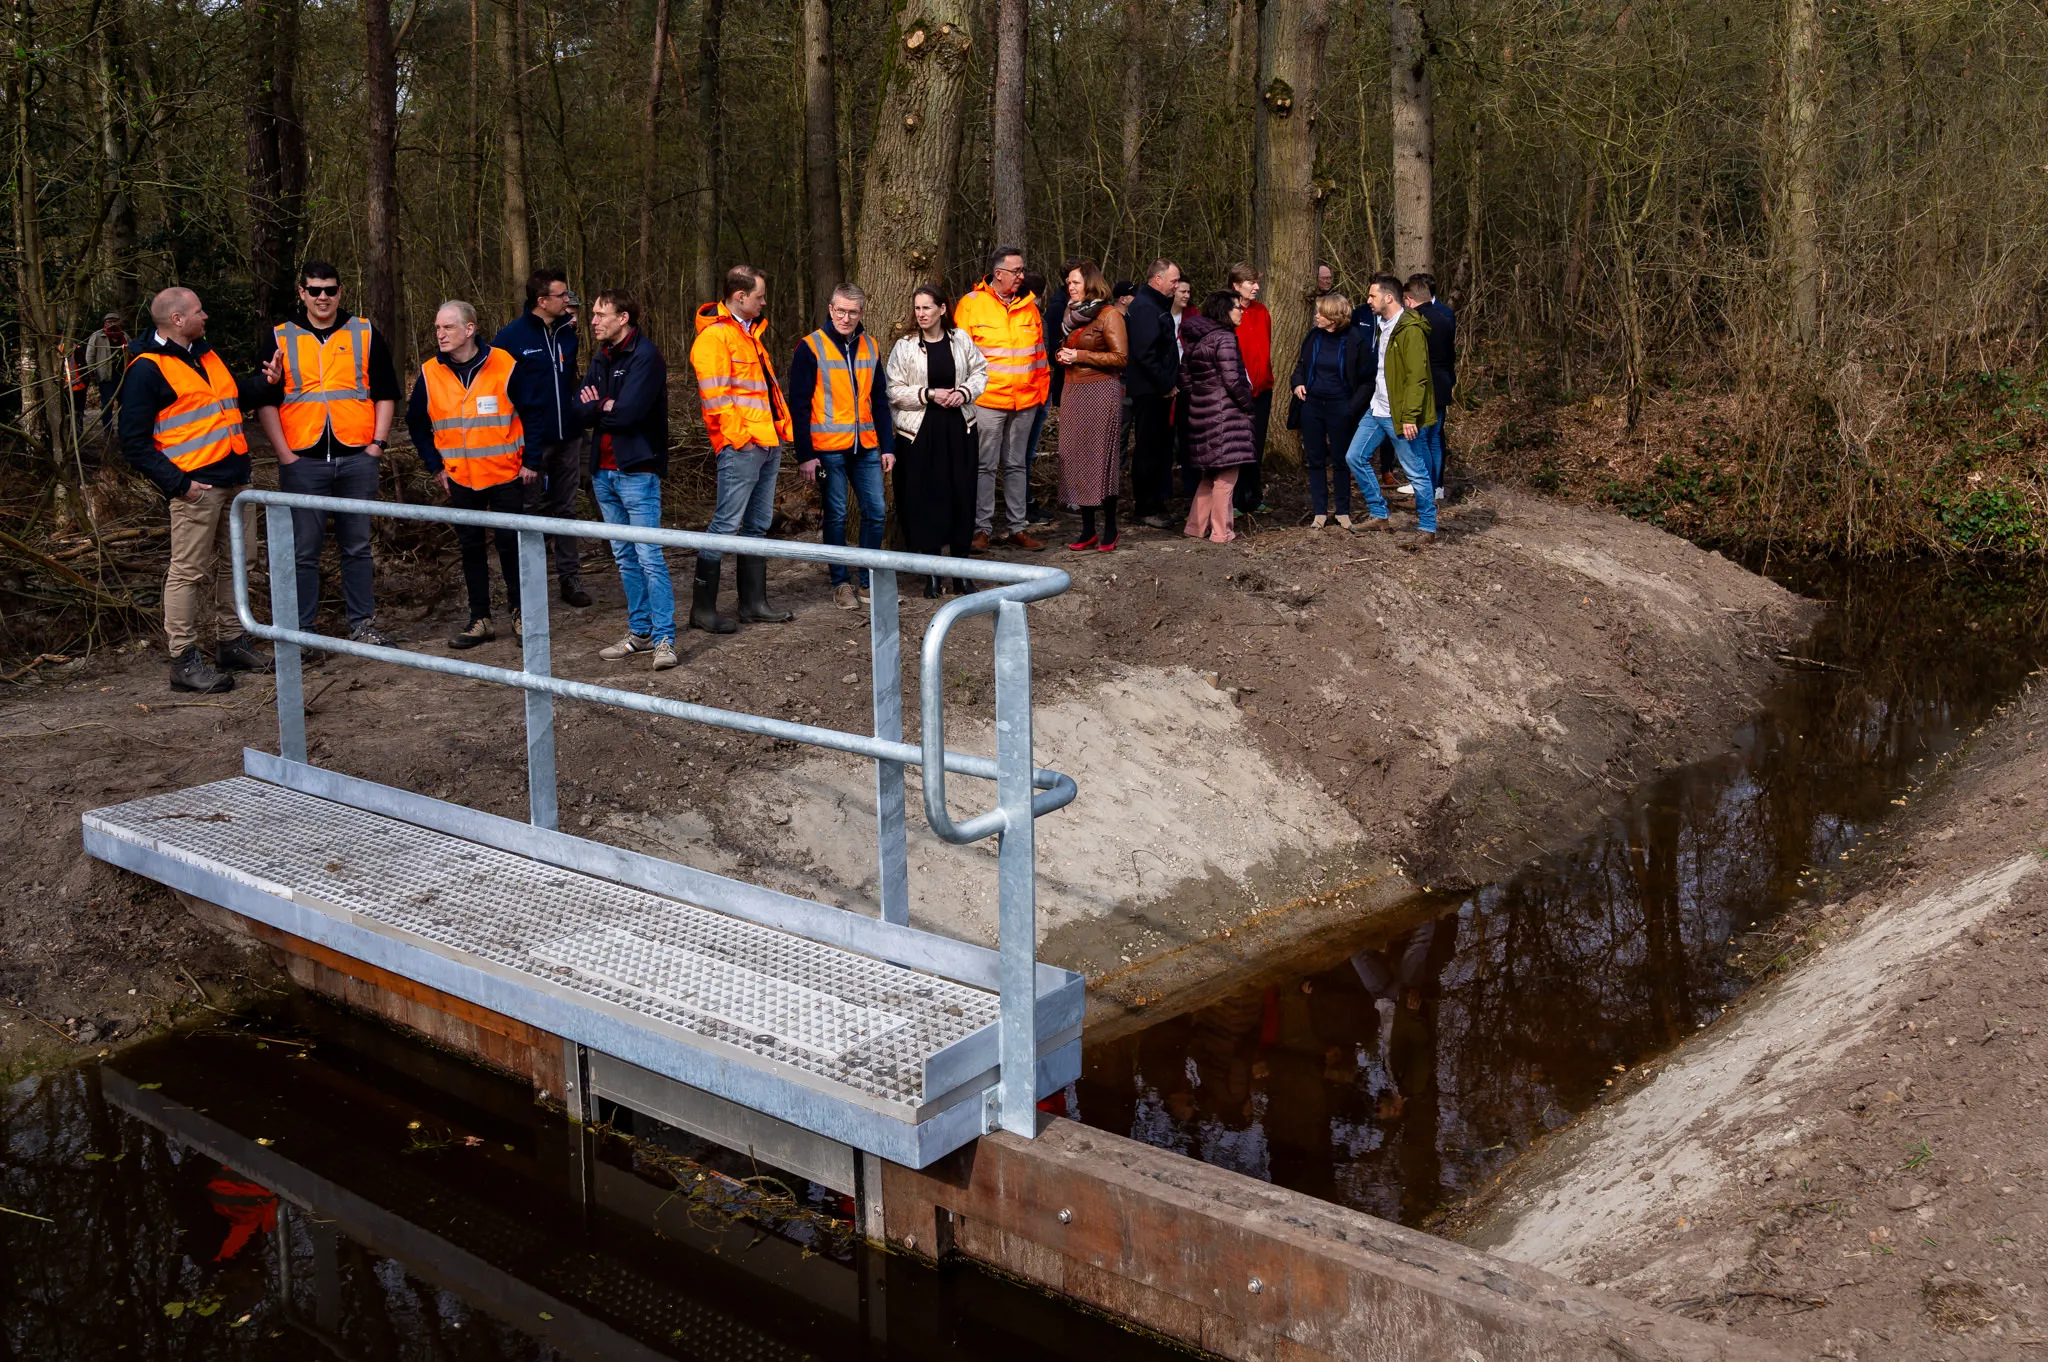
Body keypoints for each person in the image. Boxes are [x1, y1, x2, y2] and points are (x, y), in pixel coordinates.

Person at [118, 287, 280, 693]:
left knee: (239, 564)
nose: (205, 316)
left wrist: (266, 383)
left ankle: (231, 642)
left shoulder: (205, 354)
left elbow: (229, 397)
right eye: (198, 311)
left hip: (235, 479)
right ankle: (184, 660)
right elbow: (132, 443)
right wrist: (180, 485)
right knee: (187, 573)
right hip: (196, 487)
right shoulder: (145, 369)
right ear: (176, 320)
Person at [252, 260, 400, 654]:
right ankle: (302, 633)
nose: (322, 297)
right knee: (304, 552)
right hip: (303, 461)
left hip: (357, 457)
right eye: (314, 290)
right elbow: (264, 401)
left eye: (330, 290)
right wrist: (284, 456)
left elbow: (386, 392)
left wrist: (376, 446)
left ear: (340, 292)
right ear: (301, 292)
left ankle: (362, 625)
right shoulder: (280, 337)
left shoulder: (364, 332)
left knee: (357, 546)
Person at [406, 300, 537, 646]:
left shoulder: (505, 365)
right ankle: (480, 619)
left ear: (469, 329)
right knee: (470, 548)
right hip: (460, 478)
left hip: (506, 474)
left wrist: (532, 461)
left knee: (511, 546)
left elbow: (534, 414)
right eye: (437, 328)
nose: (440, 334)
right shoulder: (430, 373)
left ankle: (521, 614)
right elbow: (416, 423)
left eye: (448, 327)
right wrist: (435, 466)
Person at [690, 264, 796, 630]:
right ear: (740, 297)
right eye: (760, 296)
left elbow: (764, 390)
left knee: (757, 525)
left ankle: (754, 603)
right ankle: (703, 610)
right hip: (744, 445)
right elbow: (716, 399)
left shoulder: (749, 334)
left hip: (766, 442)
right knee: (725, 525)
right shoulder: (715, 338)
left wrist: (774, 434)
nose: (764, 303)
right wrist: (742, 438)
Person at [577, 290, 677, 671]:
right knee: (624, 556)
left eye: (601, 314)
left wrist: (599, 405)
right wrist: (603, 406)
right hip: (602, 473)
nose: (594, 320)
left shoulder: (646, 356)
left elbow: (631, 414)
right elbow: (577, 409)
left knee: (649, 555)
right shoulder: (600, 358)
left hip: (637, 470)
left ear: (623, 318)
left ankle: (665, 637)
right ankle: (640, 631)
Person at [791, 283, 895, 611]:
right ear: (830, 308)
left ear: (861, 313)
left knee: (876, 512)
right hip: (827, 447)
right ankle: (840, 583)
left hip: (866, 445)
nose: (845, 317)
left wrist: (887, 446)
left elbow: (879, 399)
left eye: (852, 312)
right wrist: (805, 454)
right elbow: (799, 403)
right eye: (840, 310)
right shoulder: (811, 346)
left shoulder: (870, 345)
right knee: (835, 515)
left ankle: (867, 580)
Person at [494, 268, 591, 608]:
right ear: (542, 300)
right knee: (530, 511)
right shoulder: (510, 338)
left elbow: (570, 379)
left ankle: (570, 579)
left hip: (571, 437)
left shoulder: (568, 332)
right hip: (531, 442)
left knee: (566, 508)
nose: (568, 299)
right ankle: (528, 587)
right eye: (562, 295)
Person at [886, 283, 988, 597]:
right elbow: (892, 389)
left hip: (959, 430)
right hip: (918, 433)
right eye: (917, 308)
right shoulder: (905, 346)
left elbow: (981, 372)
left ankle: (961, 574)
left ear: (943, 309)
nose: (921, 314)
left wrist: (964, 392)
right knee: (924, 501)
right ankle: (931, 575)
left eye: (927, 308)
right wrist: (928, 394)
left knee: (961, 497)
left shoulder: (961, 340)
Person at [953, 246, 1048, 550]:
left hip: (1026, 401)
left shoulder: (1029, 306)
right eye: (1017, 271)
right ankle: (981, 529)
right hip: (987, 401)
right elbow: (960, 357)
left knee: (1018, 464)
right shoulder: (971, 305)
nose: (1022, 276)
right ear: (999, 274)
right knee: (985, 466)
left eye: (1022, 270)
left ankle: (1017, 528)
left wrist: (1041, 392)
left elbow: (1039, 356)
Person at [1344, 274, 1439, 548]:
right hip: (1377, 408)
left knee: (1416, 471)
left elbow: (1417, 377)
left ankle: (1427, 526)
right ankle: (1379, 514)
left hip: (1400, 415)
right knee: (1355, 457)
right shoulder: (1382, 325)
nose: (1367, 300)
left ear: (1388, 297)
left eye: (1372, 296)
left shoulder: (1410, 329)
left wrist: (1409, 416)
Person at [1051, 259, 1127, 552]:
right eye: (1068, 283)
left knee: (1100, 459)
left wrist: (1080, 356)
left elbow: (1120, 358)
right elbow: (1066, 347)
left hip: (1100, 391)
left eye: (1075, 282)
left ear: (1090, 284)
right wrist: (1063, 355)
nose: (1069, 287)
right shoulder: (1071, 315)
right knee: (1075, 457)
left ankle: (1110, 528)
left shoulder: (1109, 316)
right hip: (1072, 390)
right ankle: (1087, 530)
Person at [1180, 290, 1258, 543]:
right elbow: (1233, 380)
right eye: (1236, 307)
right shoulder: (1224, 338)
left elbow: (1185, 378)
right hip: (1226, 414)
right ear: (1224, 310)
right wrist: (1248, 405)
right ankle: (1221, 532)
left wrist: (1202, 397)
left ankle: (1195, 527)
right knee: (1226, 476)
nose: (1241, 311)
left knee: (1209, 474)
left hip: (1202, 413)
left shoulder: (1196, 339)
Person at [1289, 293, 1364, 529]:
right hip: (1312, 405)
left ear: (1333, 316)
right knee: (1315, 459)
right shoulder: (1313, 336)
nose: (1316, 316)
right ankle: (1319, 512)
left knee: (1341, 460)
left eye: (1320, 312)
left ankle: (1343, 511)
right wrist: (1297, 383)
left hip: (1341, 406)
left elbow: (1366, 379)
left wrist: (1351, 407)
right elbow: (1301, 365)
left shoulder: (1354, 339)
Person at [1123, 258, 1181, 528]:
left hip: (1159, 389)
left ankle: (1156, 503)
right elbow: (1145, 354)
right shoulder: (1146, 308)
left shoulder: (1154, 304)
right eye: (1174, 281)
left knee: (1159, 449)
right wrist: (1165, 384)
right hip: (1150, 392)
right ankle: (1145, 507)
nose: (1177, 286)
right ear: (1158, 280)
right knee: (1148, 449)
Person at [1405, 273, 1456, 501]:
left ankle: (1424, 487)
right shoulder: (1445, 317)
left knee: (1422, 437)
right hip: (1443, 383)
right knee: (1434, 437)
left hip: (1426, 386)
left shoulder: (1416, 321)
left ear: (1410, 300)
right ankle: (1435, 487)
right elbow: (1451, 354)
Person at [1228, 264, 1274, 516]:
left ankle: (1253, 498)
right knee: (1236, 444)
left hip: (1262, 390)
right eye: (1251, 282)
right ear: (1236, 285)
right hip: (1236, 392)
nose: (1256, 287)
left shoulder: (1261, 311)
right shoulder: (1227, 312)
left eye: (1257, 282)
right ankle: (1233, 500)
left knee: (1256, 443)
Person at [84, 312, 128, 437]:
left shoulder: (124, 336)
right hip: (105, 376)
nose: (112, 324)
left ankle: (122, 429)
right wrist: (91, 371)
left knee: (123, 404)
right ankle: (107, 430)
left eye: (115, 321)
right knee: (107, 404)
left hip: (123, 376)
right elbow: (90, 355)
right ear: (105, 323)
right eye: (109, 321)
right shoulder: (98, 336)